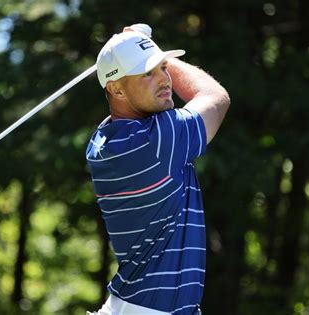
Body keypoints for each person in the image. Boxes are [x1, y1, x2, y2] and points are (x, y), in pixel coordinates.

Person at [86, 24, 230, 314]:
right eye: (148, 73)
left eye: (163, 68)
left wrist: (143, 50)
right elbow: (216, 96)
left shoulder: (103, 139)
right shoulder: (158, 140)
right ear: (115, 88)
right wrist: (157, 49)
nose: (165, 79)